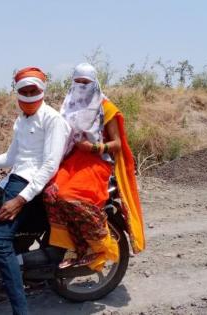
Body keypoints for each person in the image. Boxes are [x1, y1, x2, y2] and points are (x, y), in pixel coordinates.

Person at [0, 67, 71, 315]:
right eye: (24, 91)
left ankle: (21, 310)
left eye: (34, 90)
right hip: (14, 179)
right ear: (17, 92)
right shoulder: (21, 120)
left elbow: (50, 165)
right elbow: (10, 158)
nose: (29, 95)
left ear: (42, 91)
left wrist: (20, 199)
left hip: (31, 186)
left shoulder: (53, 120)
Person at [43, 63, 145, 270]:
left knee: (69, 195)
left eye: (86, 82)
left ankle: (98, 245)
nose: (81, 86)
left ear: (94, 83)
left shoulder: (105, 107)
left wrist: (94, 147)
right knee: (50, 193)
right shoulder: (69, 105)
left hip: (96, 161)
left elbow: (116, 144)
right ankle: (75, 247)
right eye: (78, 82)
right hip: (72, 160)